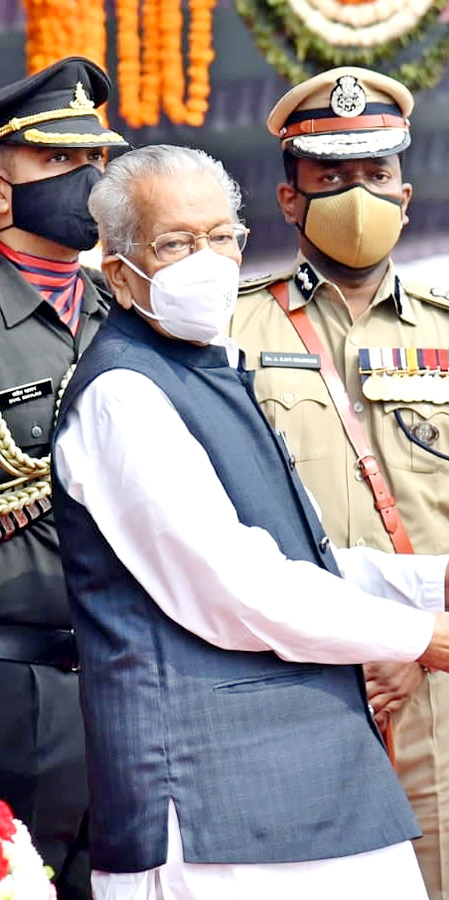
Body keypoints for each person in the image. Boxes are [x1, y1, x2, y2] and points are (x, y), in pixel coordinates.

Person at [51, 144, 449, 900]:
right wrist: (416, 634)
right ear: (120, 272)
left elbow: (301, 557)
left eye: (219, 237)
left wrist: (439, 580)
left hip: (307, 777)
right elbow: (237, 587)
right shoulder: (125, 394)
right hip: (209, 800)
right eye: (175, 243)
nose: (205, 260)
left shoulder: (210, 365)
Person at [230, 68, 449, 900]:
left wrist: (416, 638)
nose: (357, 195)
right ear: (290, 201)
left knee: (442, 881)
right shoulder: (233, 326)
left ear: (406, 193)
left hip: (434, 672)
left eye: (375, 176)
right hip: (285, 667)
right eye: (330, 179)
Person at [0, 56, 127, 900]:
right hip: (16, 689)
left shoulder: (128, 314)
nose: (83, 182)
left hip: (127, 680)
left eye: (94, 163)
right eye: (56, 162)